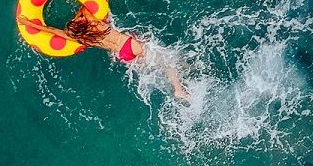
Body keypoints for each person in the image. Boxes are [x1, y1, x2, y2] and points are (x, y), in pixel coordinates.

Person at [17, 12, 189, 101]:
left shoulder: (82, 39)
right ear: (81, 23)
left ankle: (187, 69)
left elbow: (52, 30)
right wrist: (78, 17)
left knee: (156, 66)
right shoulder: (95, 24)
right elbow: (85, 9)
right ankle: (178, 90)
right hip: (129, 45)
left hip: (123, 56)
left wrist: (28, 23)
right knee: (166, 62)